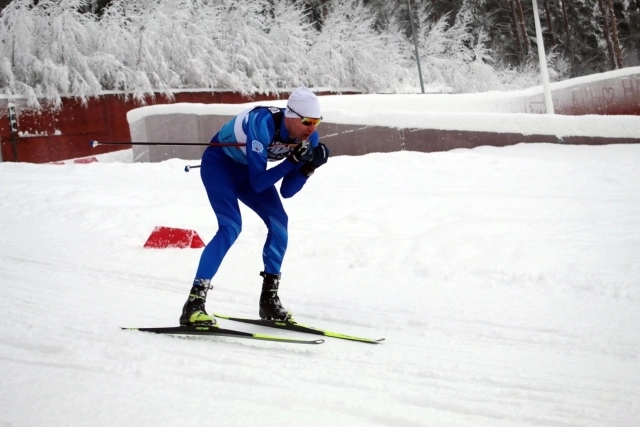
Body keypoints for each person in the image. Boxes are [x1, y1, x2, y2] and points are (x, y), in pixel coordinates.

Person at [180, 87, 330, 327]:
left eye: (317, 121)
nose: (313, 128)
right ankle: (194, 303)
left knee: (280, 222)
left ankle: (269, 300)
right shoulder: (263, 123)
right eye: (307, 121)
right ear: (290, 116)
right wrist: (291, 161)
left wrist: (307, 168)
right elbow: (259, 184)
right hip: (221, 166)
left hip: (251, 173)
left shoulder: (307, 137)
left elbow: (287, 191)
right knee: (231, 227)